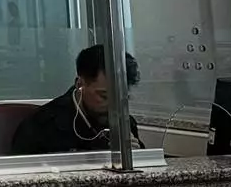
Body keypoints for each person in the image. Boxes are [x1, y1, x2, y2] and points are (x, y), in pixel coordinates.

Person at [11, 43, 143, 155]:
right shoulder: (42, 126)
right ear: (80, 84)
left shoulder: (125, 123)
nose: (113, 106)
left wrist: (136, 156)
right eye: (104, 96)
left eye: (122, 98)